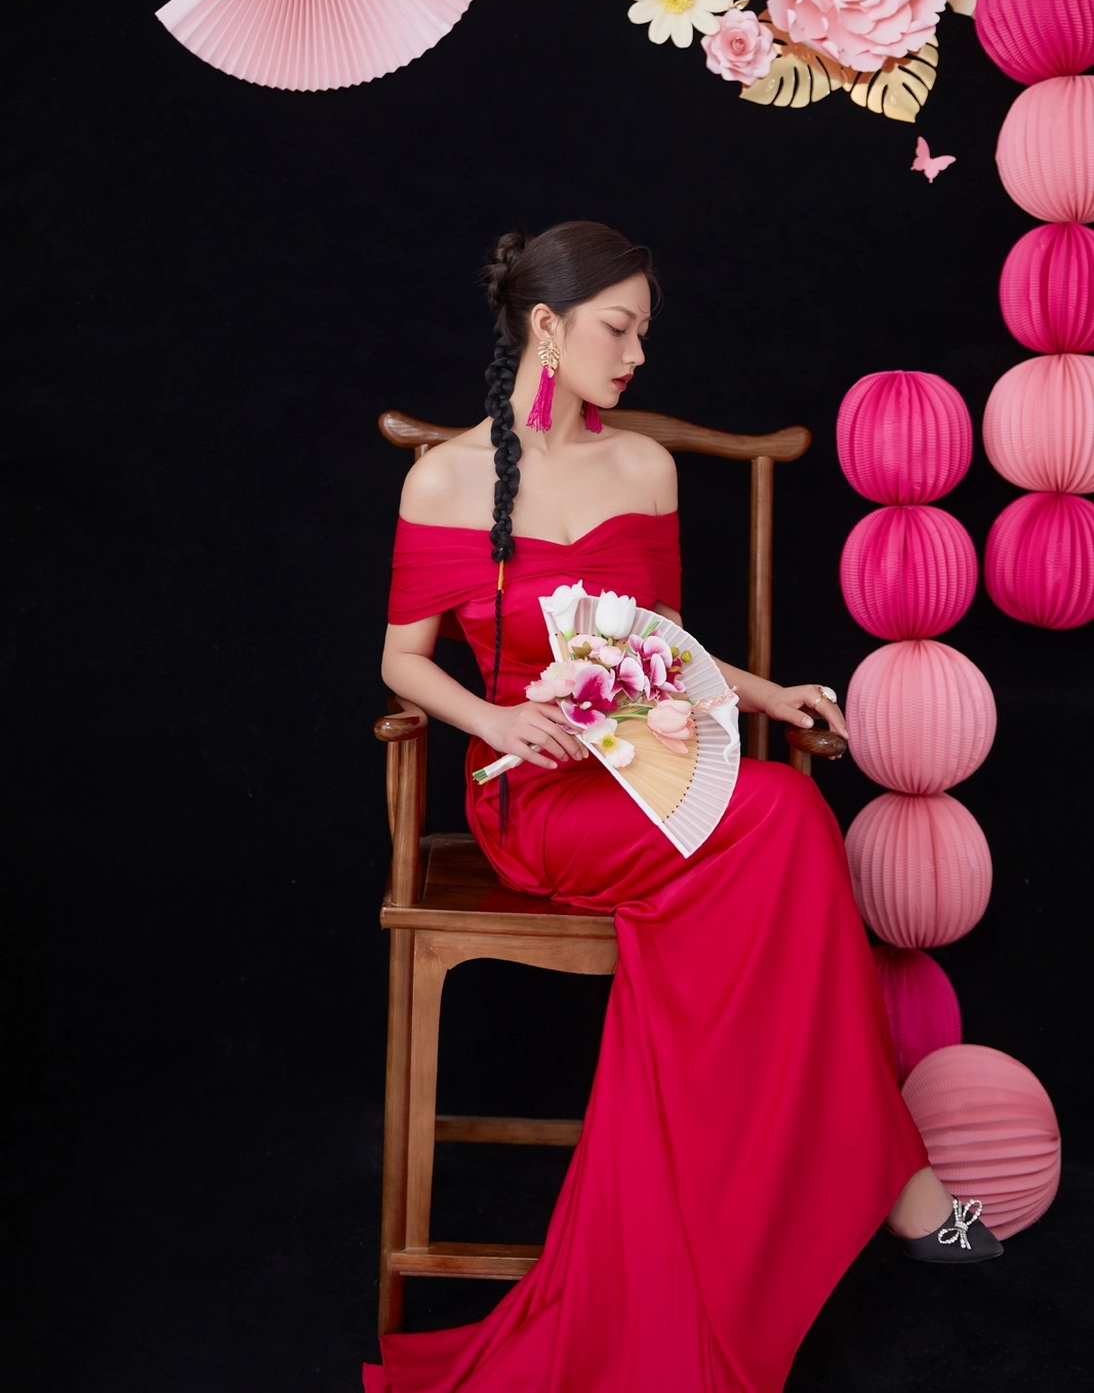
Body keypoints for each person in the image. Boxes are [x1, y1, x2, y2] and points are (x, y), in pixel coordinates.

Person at [368, 222, 1001, 1393]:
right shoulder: (445, 478)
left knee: (782, 818)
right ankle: (895, 1182)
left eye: (643, 332)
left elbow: (660, 653)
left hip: (644, 764)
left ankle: (816, 1181)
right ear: (545, 326)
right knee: (781, 819)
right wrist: (495, 721)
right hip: (538, 800)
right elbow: (401, 660)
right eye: (618, 329)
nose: (637, 355)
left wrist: (766, 694)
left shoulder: (643, 469)